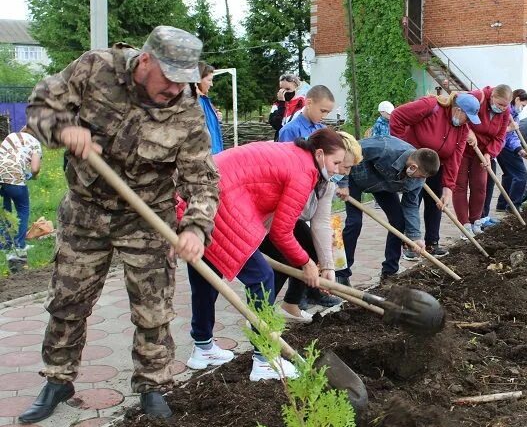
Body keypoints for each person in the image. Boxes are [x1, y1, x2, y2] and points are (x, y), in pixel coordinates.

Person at [20, 26, 220, 423]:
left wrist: (196, 227)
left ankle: (151, 385)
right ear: (145, 60)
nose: (176, 89)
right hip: (85, 212)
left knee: (153, 310)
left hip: (147, 220)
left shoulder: (187, 111)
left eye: (186, 80)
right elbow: (40, 106)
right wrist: (63, 129)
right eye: (170, 78)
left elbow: (202, 178)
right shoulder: (95, 68)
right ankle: (59, 379)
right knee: (67, 302)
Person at [185, 129, 346, 379]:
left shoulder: (293, 154)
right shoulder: (304, 172)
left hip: (198, 197)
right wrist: (306, 263)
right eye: (336, 163)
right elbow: (282, 232)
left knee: (208, 275)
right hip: (221, 201)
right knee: (261, 278)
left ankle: (203, 347)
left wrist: (319, 264)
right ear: (320, 154)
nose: (337, 170)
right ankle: (265, 360)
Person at [258, 132, 362, 309]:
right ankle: (260, 311)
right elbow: (281, 224)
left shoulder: (327, 183)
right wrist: (306, 263)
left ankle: (292, 303)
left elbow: (320, 223)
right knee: (285, 258)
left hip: (286, 222)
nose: (343, 171)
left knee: (312, 248)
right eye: (342, 165)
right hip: (266, 220)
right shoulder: (304, 172)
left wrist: (328, 267)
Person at [334, 137, 440, 285]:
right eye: (421, 175)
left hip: (383, 186)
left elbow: (410, 206)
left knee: (398, 221)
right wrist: (343, 182)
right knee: (354, 222)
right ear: (414, 167)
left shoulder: (417, 179)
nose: (421, 180)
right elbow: (350, 151)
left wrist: (415, 237)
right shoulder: (385, 148)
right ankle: (342, 274)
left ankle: (389, 272)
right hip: (355, 177)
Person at [390, 92, 481, 258]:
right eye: (467, 117)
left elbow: (456, 157)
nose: (467, 122)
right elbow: (397, 116)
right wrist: (403, 150)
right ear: (457, 110)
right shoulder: (430, 106)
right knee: (412, 202)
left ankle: (432, 243)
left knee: (436, 203)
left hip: (437, 166)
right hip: (416, 163)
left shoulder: (462, 129)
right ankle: (409, 243)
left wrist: (448, 187)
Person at [454, 85, 511, 236]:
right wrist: (468, 131)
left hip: (482, 152)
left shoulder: (505, 112)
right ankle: (464, 225)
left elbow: (500, 137)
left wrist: (489, 154)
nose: (502, 108)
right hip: (463, 148)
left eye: (505, 106)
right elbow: (458, 105)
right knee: (460, 186)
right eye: (500, 104)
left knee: (480, 186)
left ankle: (476, 222)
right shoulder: (478, 97)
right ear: (492, 96)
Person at [480, 89, 527, 227]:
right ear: (517, 99)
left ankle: (488, 213)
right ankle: (483, 217)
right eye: (523, 105)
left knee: (493, 183)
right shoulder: (503, 111)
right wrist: (509, 128)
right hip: (489, 150)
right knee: (483, 186)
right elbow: (497, 133)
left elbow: (510, 138)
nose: (522, 108)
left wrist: (519, 150)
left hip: (497, 150)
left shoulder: (513, 115)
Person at [0, 128, 42, 253]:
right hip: (15, 177)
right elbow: (34, 168)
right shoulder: (35, 143)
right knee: (23, 210)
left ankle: (5, 245)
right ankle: (19, 244)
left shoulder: (12, 136)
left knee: (5, 210)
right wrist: (33, 176)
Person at [191, 62, 224, 154]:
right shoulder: (194, 103)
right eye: (209, 80)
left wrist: (216, 118)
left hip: (214, 155)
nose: (212, 84)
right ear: (197, 81)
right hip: (205, 158)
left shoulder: (204, 100)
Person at [269, 73, 305, 141]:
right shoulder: (277, 105)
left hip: (297, 141)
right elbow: (275, 124)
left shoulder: (302, 105)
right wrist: (282, 104)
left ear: (296, 89)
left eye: (288, 89)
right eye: (281, 89)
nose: (284, 92)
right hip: (280, 142)